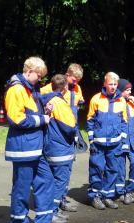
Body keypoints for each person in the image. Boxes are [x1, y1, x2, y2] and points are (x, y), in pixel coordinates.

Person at [4, 56, 62, 223]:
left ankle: (43, 222)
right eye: (39, 75)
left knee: (46, 181)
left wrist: (45, 111)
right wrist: (42, 119)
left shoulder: (30, 89)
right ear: (29, 71)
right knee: (22, 188)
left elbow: (30, 114)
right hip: (23, 148)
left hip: (35, 147)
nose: (40, 79)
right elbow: (16, 119)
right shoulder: (16, 89)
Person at [41, 63, 85, 212]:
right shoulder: (50, 88)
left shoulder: (77, 89)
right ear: (67, 76)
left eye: (78, 81)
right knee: (56, 171)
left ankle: (61, 199)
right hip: (58, 132)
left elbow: (78, 106)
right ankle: (52, 204)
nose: (76, 83)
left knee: (67, 169)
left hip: (71, 132)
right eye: (74, 80)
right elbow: (40, 101)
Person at [86, 72, 127, 210]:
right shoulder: (96, 99)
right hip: (98, 143)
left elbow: (124, 121)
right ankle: (95, 196)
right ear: (104, 84)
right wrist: (91, 140)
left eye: (115, 84)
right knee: (97, 169)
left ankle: (107, 196)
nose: (113, 87)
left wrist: (123, 139)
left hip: (115, 144)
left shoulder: (122, 100)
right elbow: (90, 120)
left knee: (112, 170)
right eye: (111, 84)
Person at [43, 74, 77, 223]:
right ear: (64, 88)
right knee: (59, 182)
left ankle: (50, 211)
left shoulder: (46, 99)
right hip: (60, 149)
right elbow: (69, 127)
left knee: (51, 182)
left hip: (49, 146)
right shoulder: (59, 102)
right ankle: (52, 213)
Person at [115, 79, 134, 204]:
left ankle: (129, 190)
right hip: (120, 141)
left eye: (130, 89)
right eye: (127, 90)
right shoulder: (116, 103)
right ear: (120, 90)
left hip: (132, 140)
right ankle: (120, 192)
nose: (130, 92)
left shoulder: (132, 103)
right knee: (120, 168)